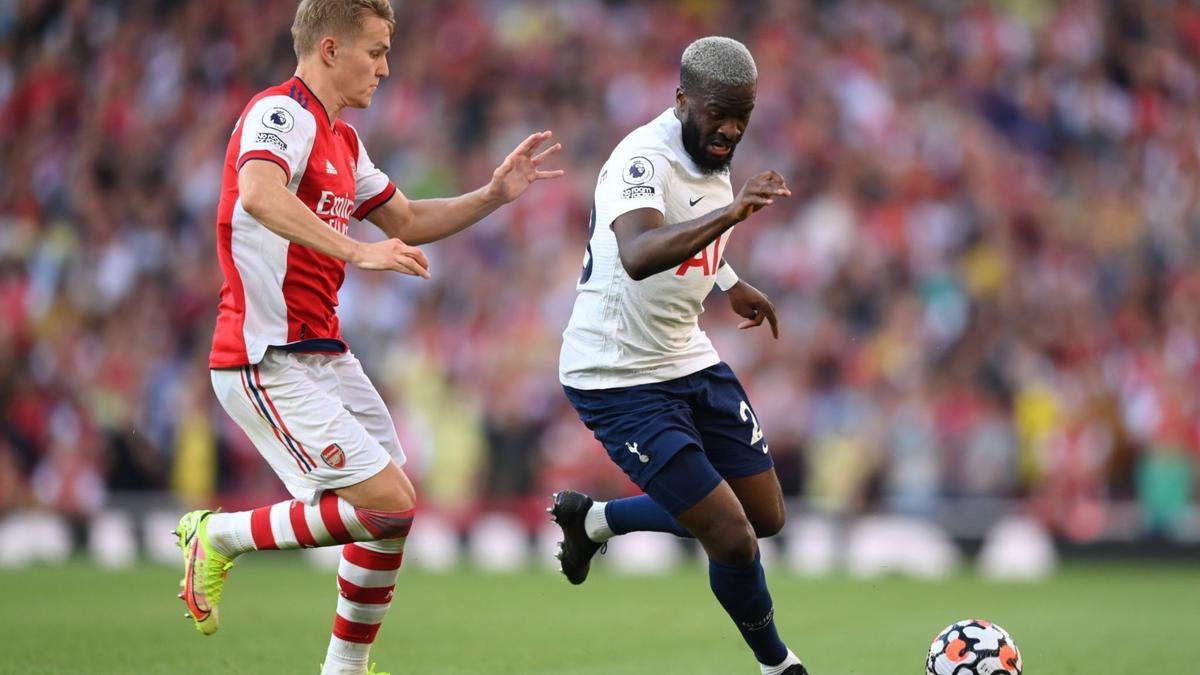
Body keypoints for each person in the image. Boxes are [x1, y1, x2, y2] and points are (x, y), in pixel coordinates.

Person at [174, 1, 562, 673]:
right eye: (376, 50)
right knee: (385, 502)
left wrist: (494, 194)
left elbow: (407, 219)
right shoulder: (281, 114)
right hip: (262, 357)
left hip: (322, 353)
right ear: (329, 49)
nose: (386, 67)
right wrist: (358, 251)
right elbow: (259, 194)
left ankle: (344, 668)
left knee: (391, 510)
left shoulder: (344, 142)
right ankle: (219, 534)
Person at [550, 36, 807, 675]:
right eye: (718, 113)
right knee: (732, 537)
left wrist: (729, 281)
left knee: (765, 516)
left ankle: (597, 522)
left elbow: (692, 220)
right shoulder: (642, 158)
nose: (730, 129)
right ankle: (779, 666)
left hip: (686, 355)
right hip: (617, 375)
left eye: (742, 115)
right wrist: (734, 216)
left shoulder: (710, 152)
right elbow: (638, 254)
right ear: (682, 100)